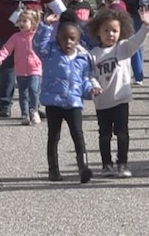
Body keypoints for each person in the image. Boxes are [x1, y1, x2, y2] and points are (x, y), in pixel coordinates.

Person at [33, 12, 101, 182]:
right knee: (53, 136)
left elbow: (84, 80)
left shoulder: (82, 58)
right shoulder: (50, 52)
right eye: (64, 38)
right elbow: (37, 46)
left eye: (72, 39)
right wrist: (45, 26)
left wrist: (90, 90)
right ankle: (53, 170)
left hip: (73, 103)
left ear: (78, 41)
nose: (68, 42)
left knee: (78, 135)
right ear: (57, 38)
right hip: (53, 103)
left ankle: (84, 167)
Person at [87, 7, 149, 178]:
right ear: (98, 32)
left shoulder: (124, 48)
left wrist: (146, 26)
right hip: (102, 102)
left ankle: (122, 163)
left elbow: (137, 41)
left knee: (122, 133)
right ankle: (106, 165)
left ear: (121, 31)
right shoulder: (93, 55)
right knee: (104, 135)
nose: (111, 34)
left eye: (115, 30)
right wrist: (93, 85)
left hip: (121, 99)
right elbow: (90, 74)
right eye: (106, 30)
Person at [0, 9, 42, 126]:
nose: (21, 24)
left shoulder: (37, 36)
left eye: (25, 21)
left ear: (33, 23)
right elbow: (6, 49)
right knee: (23, 94)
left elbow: (46, 44)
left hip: (35, 69)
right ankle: (24, 114)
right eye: (20, 21)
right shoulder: (16, 37)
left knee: (34, 91)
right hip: (20, 70)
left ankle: (33, 111)